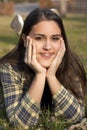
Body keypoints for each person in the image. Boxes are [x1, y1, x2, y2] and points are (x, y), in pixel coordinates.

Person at [0, 8, 87, 129]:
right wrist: (40, 75)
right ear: (25, 40)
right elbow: (20, 123)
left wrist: (51, 76)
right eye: (39, 38)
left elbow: (76, 115)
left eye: (55, 38)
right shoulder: (9, 68)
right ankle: (22, 30)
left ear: (62, 41)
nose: (48, 46)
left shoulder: (70, 63)